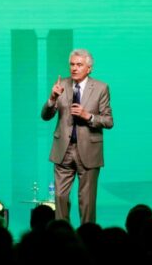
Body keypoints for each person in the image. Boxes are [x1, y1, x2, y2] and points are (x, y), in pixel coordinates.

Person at [41, 49, 113, 224]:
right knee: (60, 197)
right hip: (63, 150)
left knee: (87, 201)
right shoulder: (61, 85)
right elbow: (45, 116)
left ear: (89, 68)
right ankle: (61, 233)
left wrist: (87, 116)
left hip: (89, 150)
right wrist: (52, 98)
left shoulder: (101, 88)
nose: (74, 68)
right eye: (72, 64)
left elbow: (108, 121)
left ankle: (87, 235)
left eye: (79, 65)